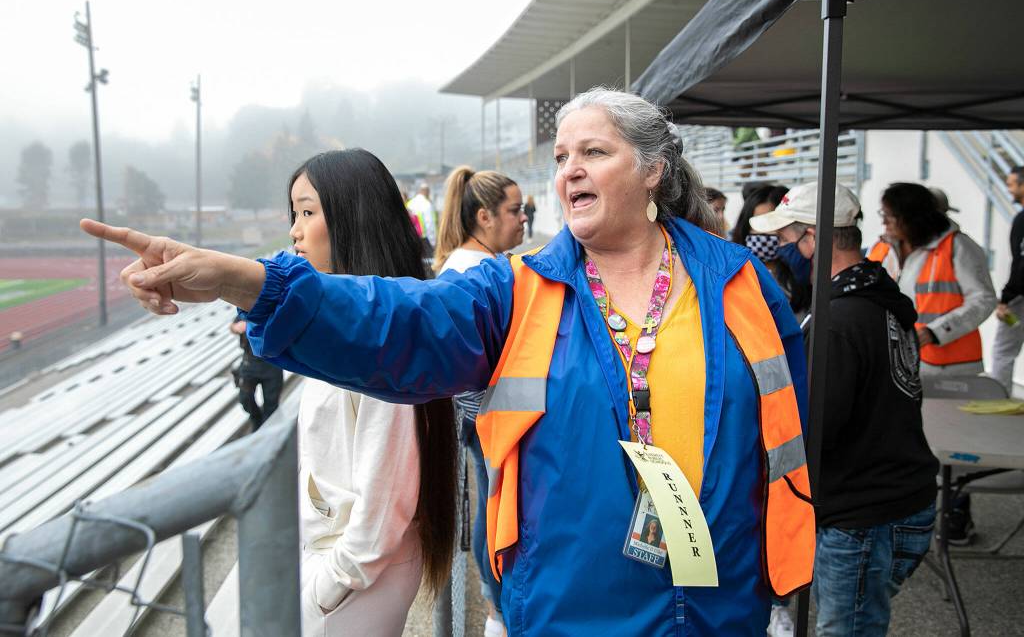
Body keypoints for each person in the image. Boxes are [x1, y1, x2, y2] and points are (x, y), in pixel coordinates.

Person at [81, 88, 814, 635]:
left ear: (653, 171)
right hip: (565, 615)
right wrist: (250, 281)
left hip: (720, 612)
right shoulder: (515, 290)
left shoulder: (743, 288)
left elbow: (790, 436)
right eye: (561, 157)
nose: (569, 172)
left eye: (594, 152)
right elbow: (399, 322)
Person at [751, 182, 939, 637]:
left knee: (848, 629)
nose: (780, 249)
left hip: (862, 515)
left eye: (786, 239)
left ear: (812, 238)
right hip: (896, 498)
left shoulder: (840, 319)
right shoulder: (877, 297)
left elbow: (817, 425)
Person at [288, 150, 457, 635]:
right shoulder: (356, 323)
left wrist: (332, 583)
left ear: (350, 218)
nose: (295, 231)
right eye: (294, 214)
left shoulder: (383, 335)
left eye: (307, 212)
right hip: (345, 564)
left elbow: (389, 491)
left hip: (356, 575)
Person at [434, 164, 526, 637]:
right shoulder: (472, 272)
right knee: (493, 509)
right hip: (484, 417)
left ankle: (498, 607)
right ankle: (496, 610)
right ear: (485, 216)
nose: (524, 218)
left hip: (486, 415)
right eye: (516, 210)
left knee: (493, 505)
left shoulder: (472, 264)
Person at [868, 182, 997, 378]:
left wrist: (936, 332)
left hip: (947, 369)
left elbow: (983, 300)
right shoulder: (881, 248)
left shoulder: (958, 247)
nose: (884, 222)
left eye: (890, 216)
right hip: (892, 361)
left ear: (912, 219)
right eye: (883, 214)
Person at [732, 185, 811, 320]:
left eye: (771, 225)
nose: (762, 233)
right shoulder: (734, 273)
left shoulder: (804, 274)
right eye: (756, 226)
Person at [990, 165, 1024, 393]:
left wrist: (1007, 297)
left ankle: (998, 399)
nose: (1008, 188)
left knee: (1003, 350)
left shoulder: (1023, 219)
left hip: (1019, 299)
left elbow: (1022, 262)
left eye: (1012, 184)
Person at [229, 315, 283, 431]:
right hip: (250, 362)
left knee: (271, 404)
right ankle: (256, 421)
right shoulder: (247, 310)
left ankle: (267, 432)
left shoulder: (274, 308)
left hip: (272, 364)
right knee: (245, 397)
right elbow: (233, 326)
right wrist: (236, 327)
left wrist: (250, 325)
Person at [406, 181, 438, 256]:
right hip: (424, 240)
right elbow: (430, 224)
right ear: (427, 191)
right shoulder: (427, 204)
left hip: (412, 239)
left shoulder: (410, 203)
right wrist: (433, 242)